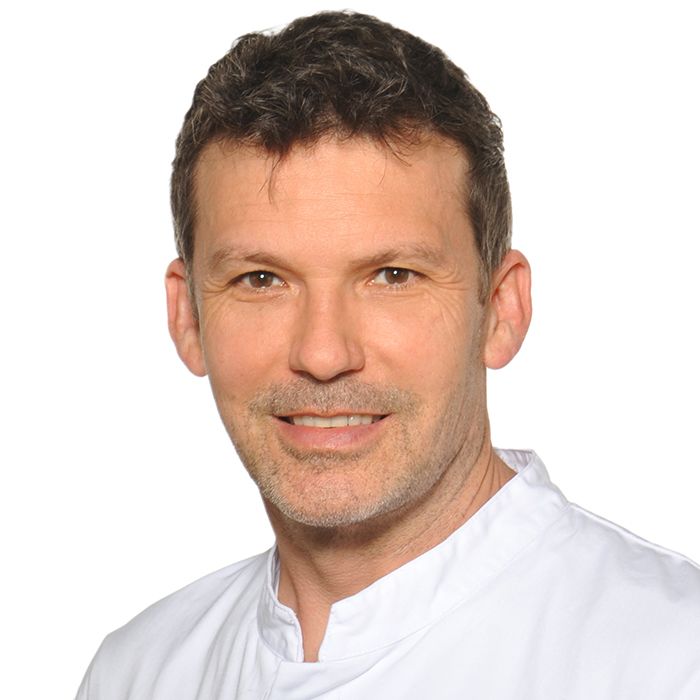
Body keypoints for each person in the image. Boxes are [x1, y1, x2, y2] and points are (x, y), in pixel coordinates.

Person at [76, 10, 700, 699]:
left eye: (392, 276)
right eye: (261, 279)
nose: (322, 353)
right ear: (188, 316)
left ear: (501, 309)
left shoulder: (673, 659)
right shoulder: (137, 673)